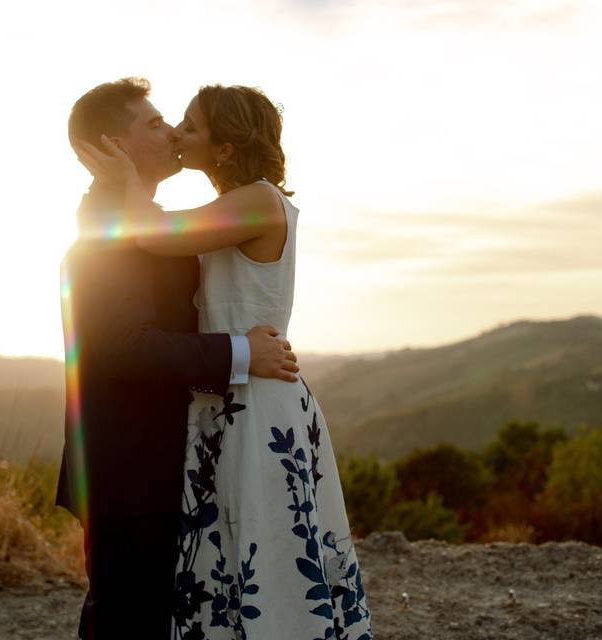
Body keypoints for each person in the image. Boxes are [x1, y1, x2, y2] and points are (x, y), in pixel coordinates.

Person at [74, 83, 373, 640]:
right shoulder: (159, 221)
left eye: (186, 124)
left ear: (226, 149)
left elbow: (158, 235)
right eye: (164, 122)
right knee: (226, 561)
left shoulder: (258, 201)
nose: (176, 135)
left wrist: (121, 183)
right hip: (218, 402)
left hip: (255, 400)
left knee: (265, 547)